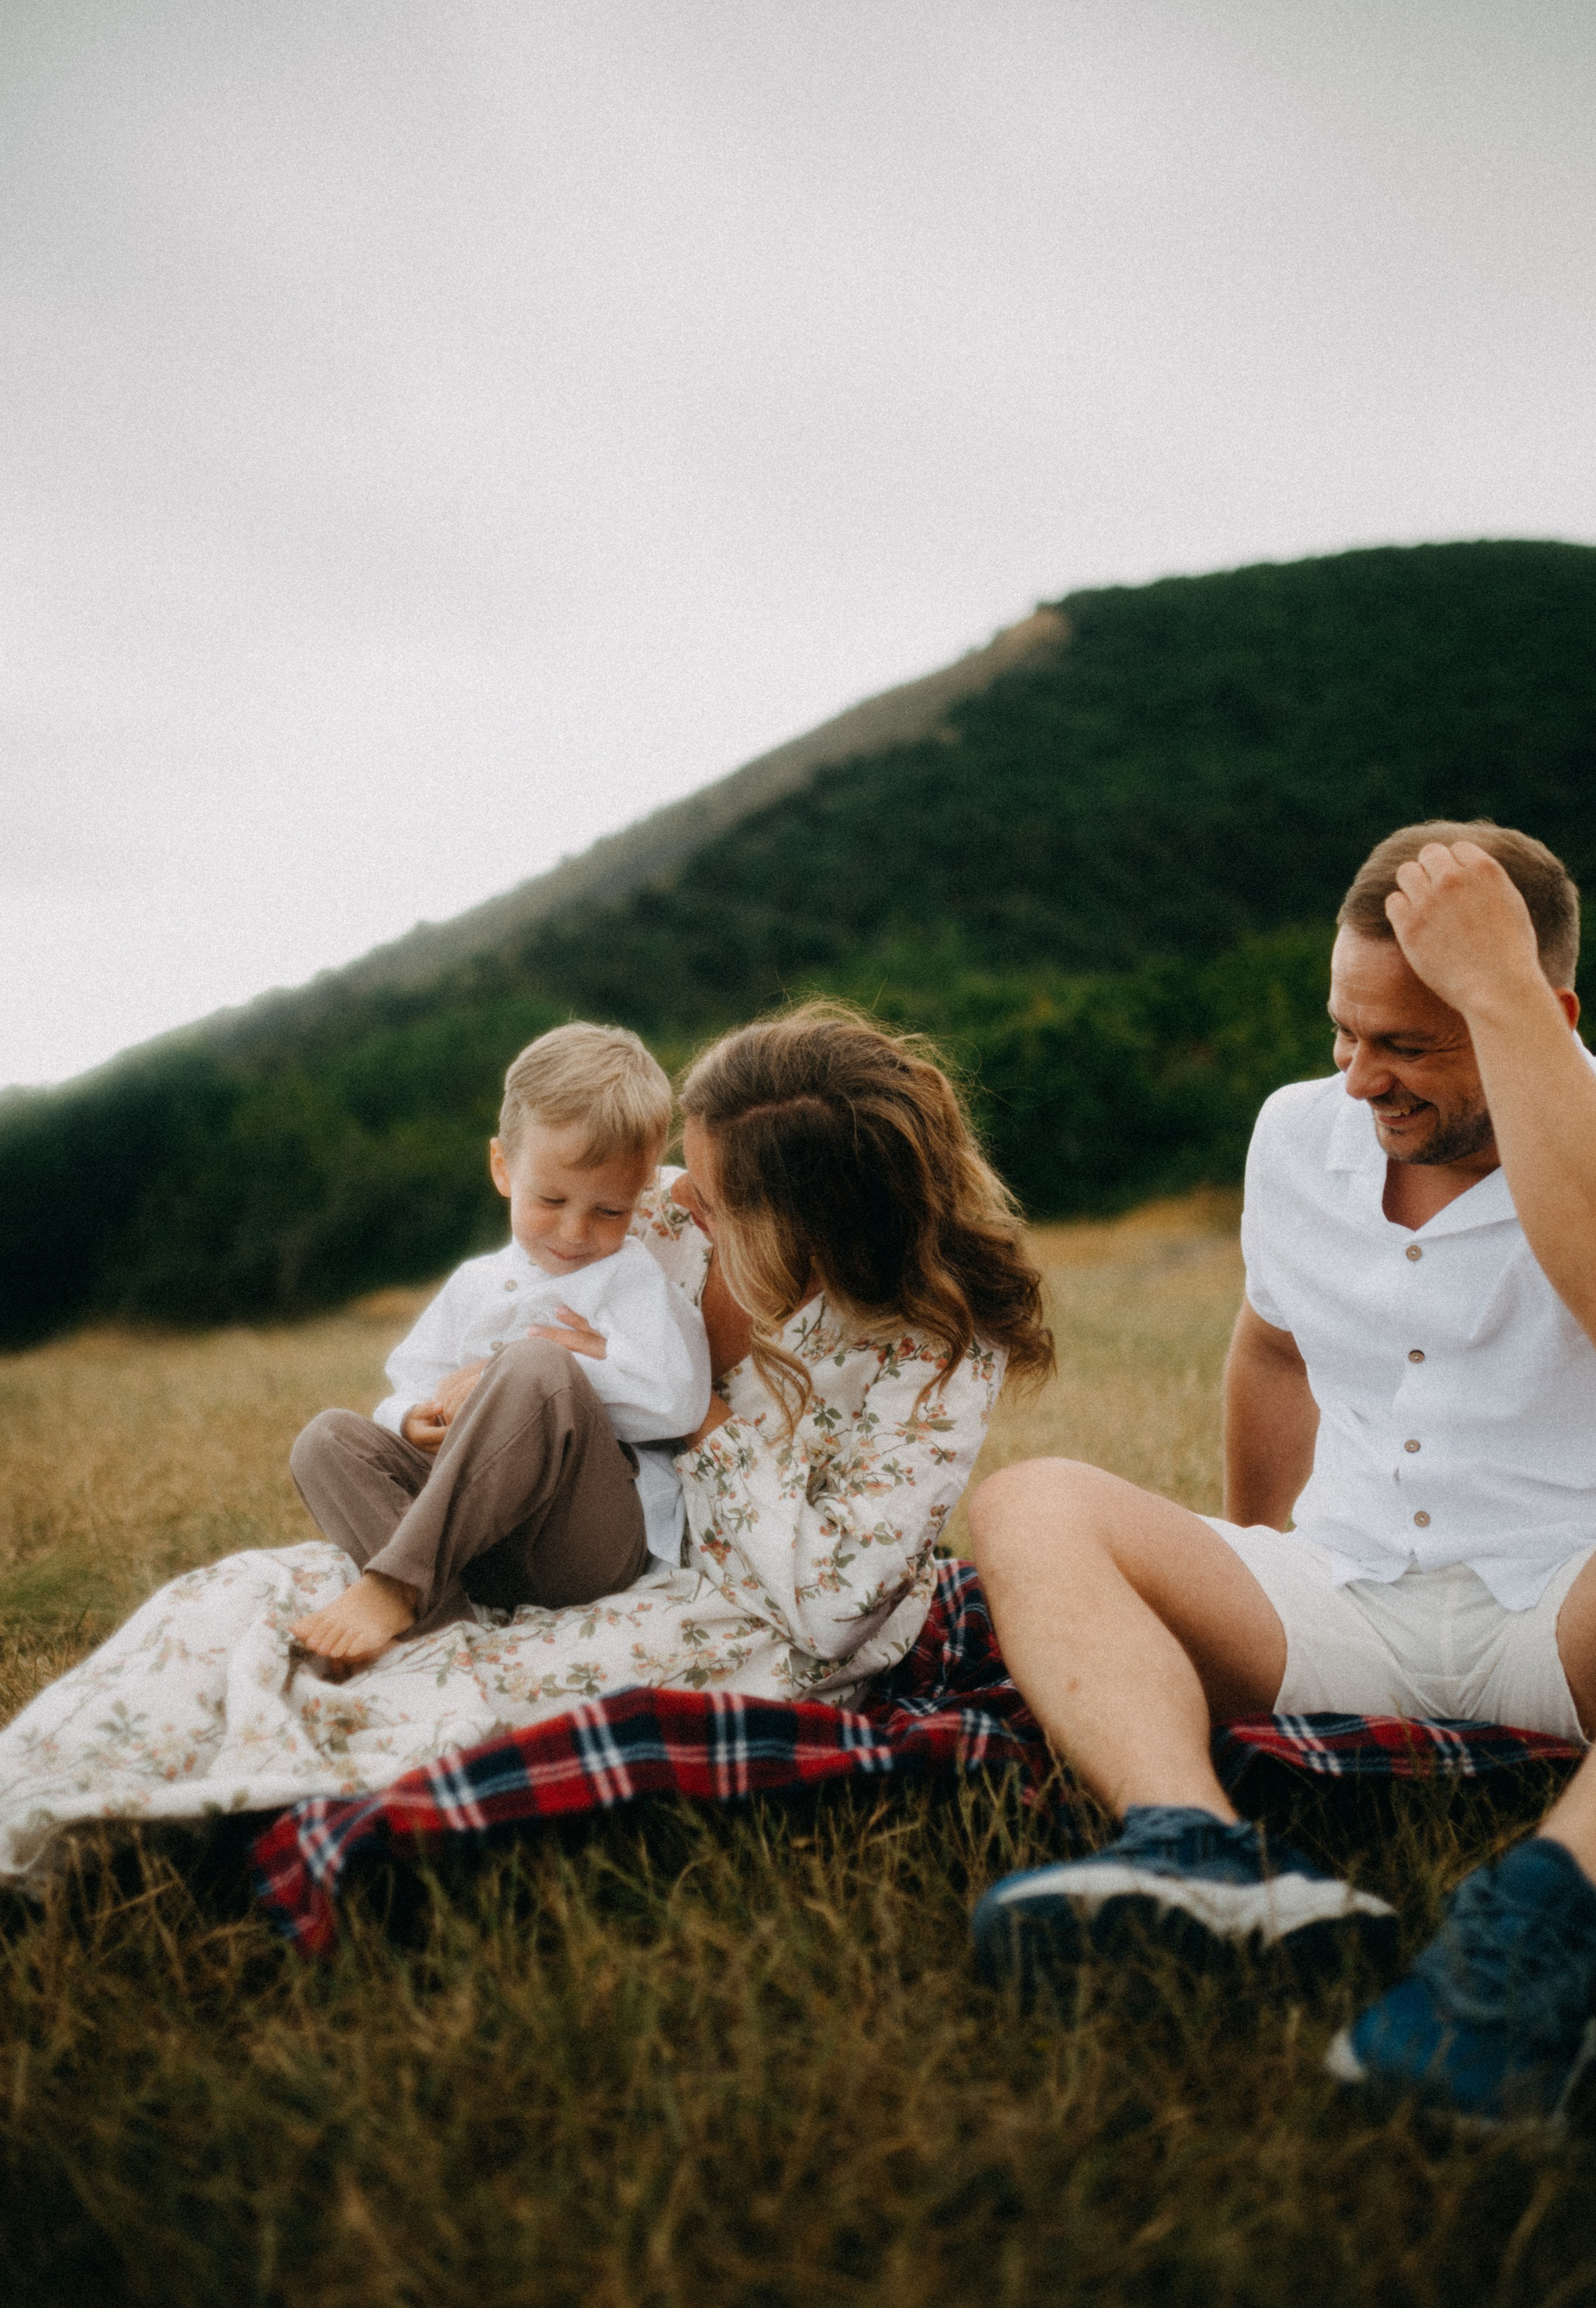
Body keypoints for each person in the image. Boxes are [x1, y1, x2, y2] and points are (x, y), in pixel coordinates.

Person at [0, 1003, 1050, 1883]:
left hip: (745, 1617)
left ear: (811, 1228)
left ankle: (182, 1816)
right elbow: (534, 1280)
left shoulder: (936, 1352)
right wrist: (458, 1399)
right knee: (245, 1602)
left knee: (416, 1694)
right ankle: (41, 1795)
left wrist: (711, 1428)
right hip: (555, 1519)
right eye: (680, 1173)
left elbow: (831, 1610)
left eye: (714, 1192)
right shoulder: (659, 1215)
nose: (674, 1198)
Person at [970, 823, 1596, 2127]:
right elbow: (1269, 1347)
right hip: (1348, 1590)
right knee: (1030, 1500)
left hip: (1564, 1611)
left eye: (1409, 1045)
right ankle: (1196, 1851)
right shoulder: (1294, 1132)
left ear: (1538, 1013)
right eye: (1342, 1033)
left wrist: (1501, 1000)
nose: (1360, 1078)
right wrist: (1249, 1568)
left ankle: (1524, 1939)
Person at [289, 1022, 711, 1669]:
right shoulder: (474, 1283)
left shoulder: (632, 1279)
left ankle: (399, 1583)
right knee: (324, 1439)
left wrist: (561, 1366)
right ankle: (447, 1620)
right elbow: (411, 1379)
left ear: (643, 1193)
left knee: (537, 1364)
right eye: (552, 1199)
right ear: (502, 1167)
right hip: (483, 1548)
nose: (576, 1232)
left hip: (582, 1539)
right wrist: (409, 1417)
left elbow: (678, 1403)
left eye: (610, 1211)